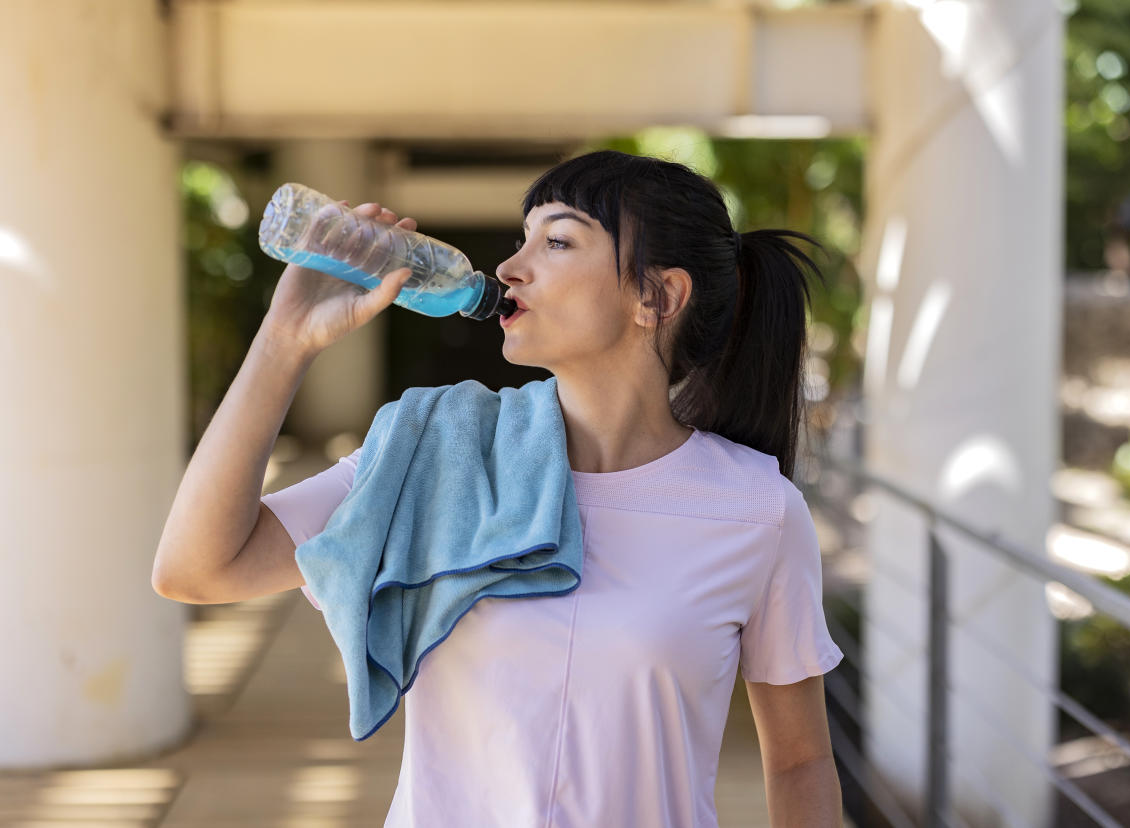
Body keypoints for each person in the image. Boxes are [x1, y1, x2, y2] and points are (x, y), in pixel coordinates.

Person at [152, 149, 846, 827]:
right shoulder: (434, 449)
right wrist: (285, 340)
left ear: (656, 296)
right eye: (522, 240)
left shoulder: (755, 509)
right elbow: (197, 568)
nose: (511, 268)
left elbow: (799, 762)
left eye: (559, 241)